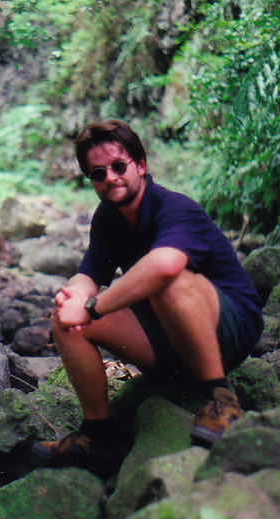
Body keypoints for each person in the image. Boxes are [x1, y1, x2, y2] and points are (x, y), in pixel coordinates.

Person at [33, 120, 263, 470]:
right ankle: (98, 434)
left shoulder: (176, 208)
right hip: (168, 342)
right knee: (65, 317)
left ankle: (223, 399)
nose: (110, 177)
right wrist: (74, 299)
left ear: (141, 165)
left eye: (119, 166)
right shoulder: (108, 218)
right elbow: (89, 273)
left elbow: (166, 266)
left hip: (230, 330)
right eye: (97, 173)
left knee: (167, 281)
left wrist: (92, 308)